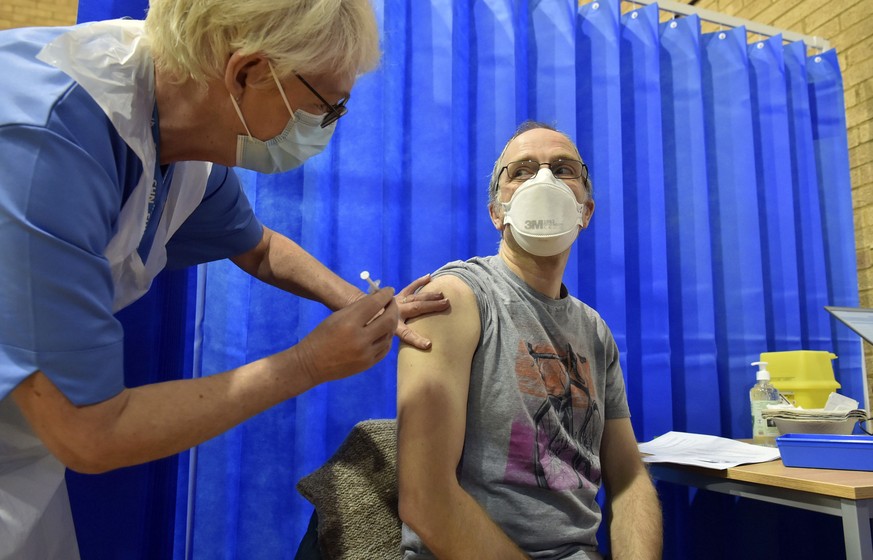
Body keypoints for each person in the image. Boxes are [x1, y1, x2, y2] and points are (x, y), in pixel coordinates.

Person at [0, 1, 448, 557]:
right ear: (247, 72)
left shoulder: (172, 125)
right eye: (323, 109)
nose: (322, 129)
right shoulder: (45, 145)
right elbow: (89, 435)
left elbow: (258, 248)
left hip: (23, 455)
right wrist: (307, 363)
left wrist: (367, 306)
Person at [396, 121, 662, 559]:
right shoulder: (453, 301)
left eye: (563, 169)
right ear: (496, 211)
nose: (544, 180)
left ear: (586, 211)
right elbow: (426, 499)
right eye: (520, 171)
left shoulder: (595, 332)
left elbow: (629, 478)